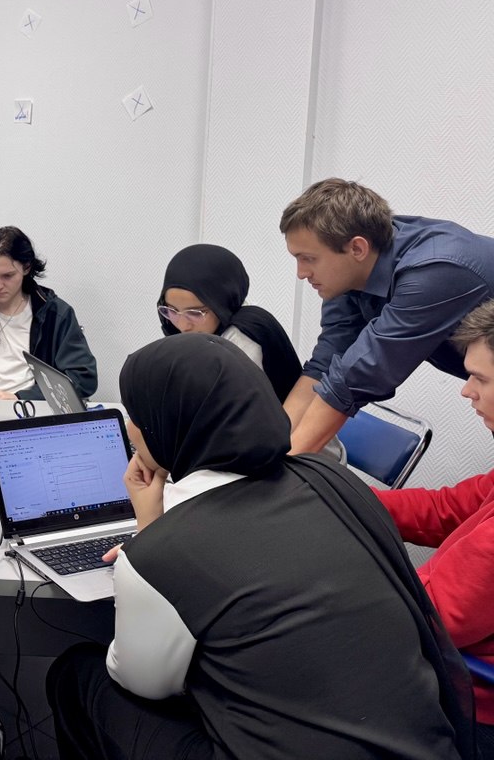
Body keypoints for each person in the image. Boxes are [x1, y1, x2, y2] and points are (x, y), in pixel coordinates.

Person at [47, 334, 474, 760]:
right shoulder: (331, 480)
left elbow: (142, 682)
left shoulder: (161, 554)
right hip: (427, 745)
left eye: (137, 416)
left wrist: (148, 535)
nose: (129, 429)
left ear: (168, 424)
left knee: (78, 673)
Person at [280, 178, 494, 453]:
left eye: (309, 258)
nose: (301, 273)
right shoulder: (351, 276)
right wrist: (272, 447)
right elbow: (326, 364)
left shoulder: (434, 272)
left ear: (357, 248)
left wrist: (283, 467)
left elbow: (356, 379)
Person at [376, 300, 494, 757]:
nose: (466, 391)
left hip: (474, 708)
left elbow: (430, 615)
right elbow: (445, 509)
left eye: (480, 379)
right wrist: (343, 495)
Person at [0, 225, 96, 400]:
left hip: (27, 406)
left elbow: (83, 378)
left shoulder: (54, 313)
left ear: (26, 268)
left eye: (7, 276)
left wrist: (21, 397)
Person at [157, 243, 301, 401]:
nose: (183, 325)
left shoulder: (241, 338)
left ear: (221, 304)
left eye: (195, 313)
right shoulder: (205, 333)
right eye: (172, 310)